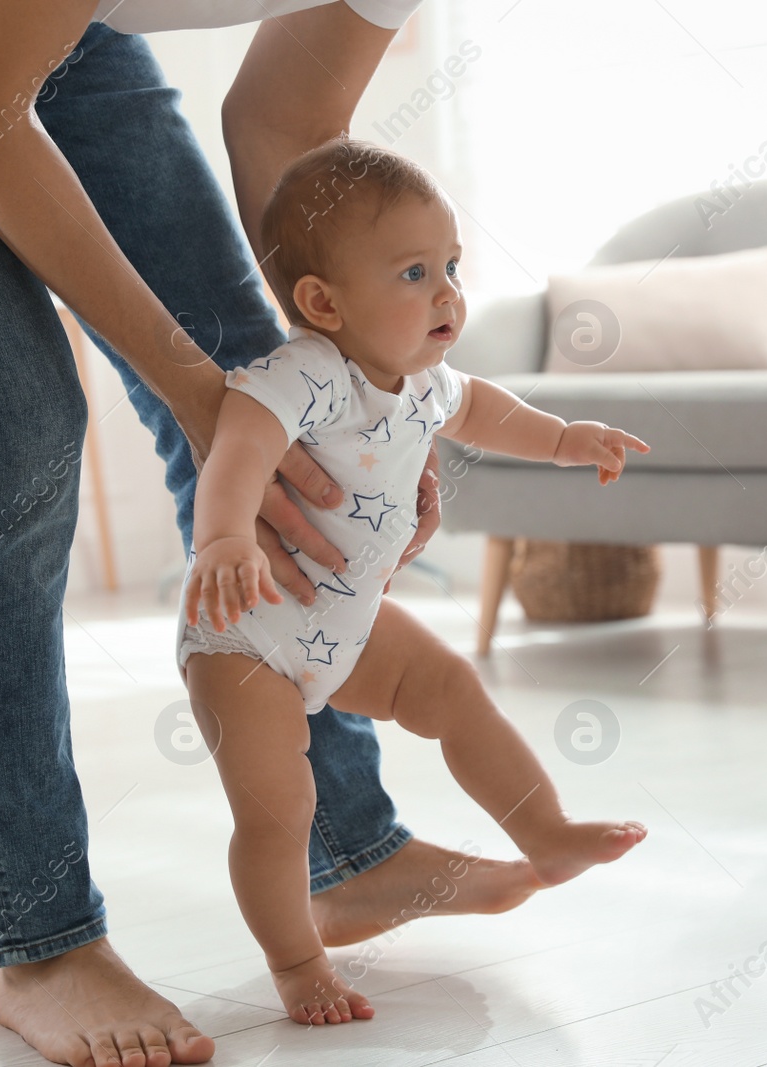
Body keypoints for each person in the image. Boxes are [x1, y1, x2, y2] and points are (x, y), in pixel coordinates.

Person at [0, 1, 542, 1063]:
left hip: (55, 22)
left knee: (262, 378)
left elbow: (288, 122)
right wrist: (199, 391)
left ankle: (345, 846)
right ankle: (41, 941)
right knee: (12, 420)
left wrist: (365, 385)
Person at [177, 137, 652, 1025]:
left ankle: (544, 832)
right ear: (323, 302)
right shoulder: (308, 372)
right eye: (412, 273)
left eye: (451, 266)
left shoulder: (425, 381)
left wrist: (563, 439)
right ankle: (296, 960)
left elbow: (485, 410)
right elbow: (238, 442)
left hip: (342, 621)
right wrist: (222, 539)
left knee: (452, 687)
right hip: (250, 634)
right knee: (280, 807)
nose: (446, 293)